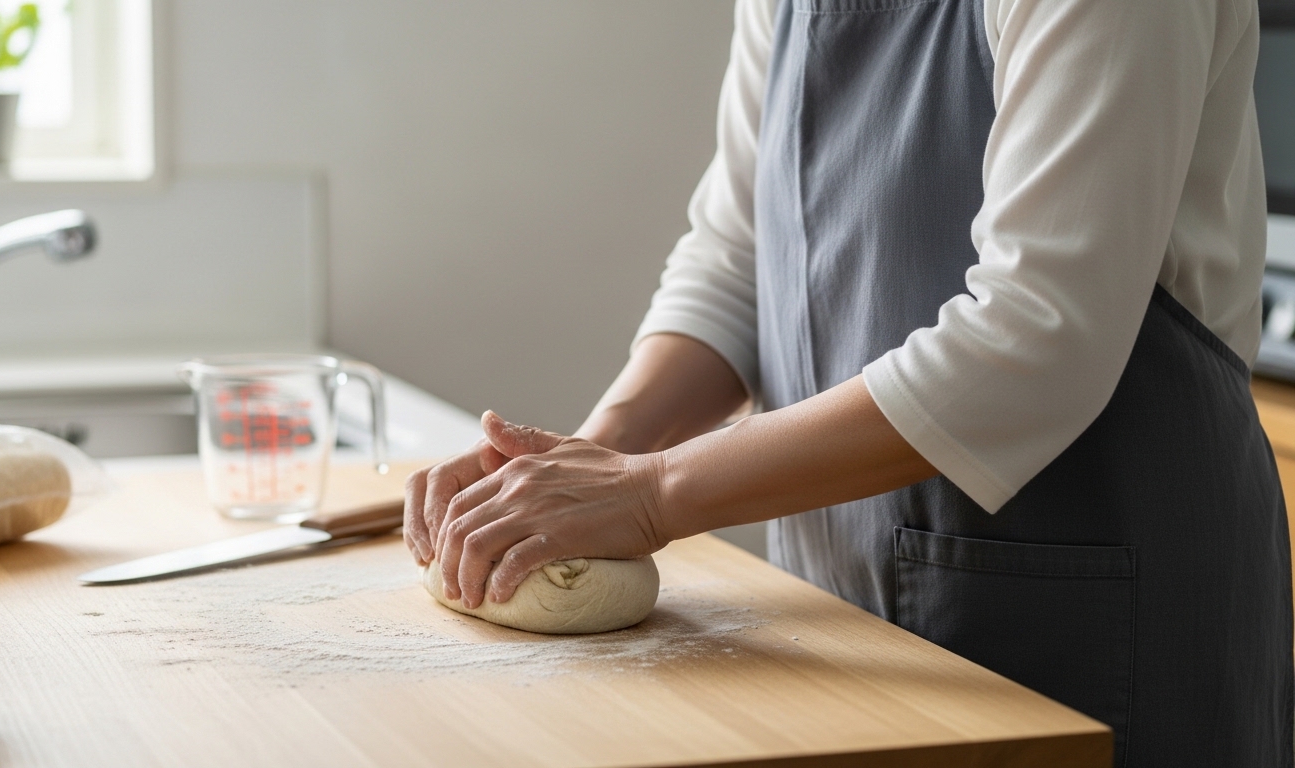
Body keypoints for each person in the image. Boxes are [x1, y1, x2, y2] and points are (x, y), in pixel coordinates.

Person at [402, 0, 1293, 763]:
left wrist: (650, 494)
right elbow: (737, 261)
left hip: (1108, 616)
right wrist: (589, 462)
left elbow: (1036, 335)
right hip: (842, 617)